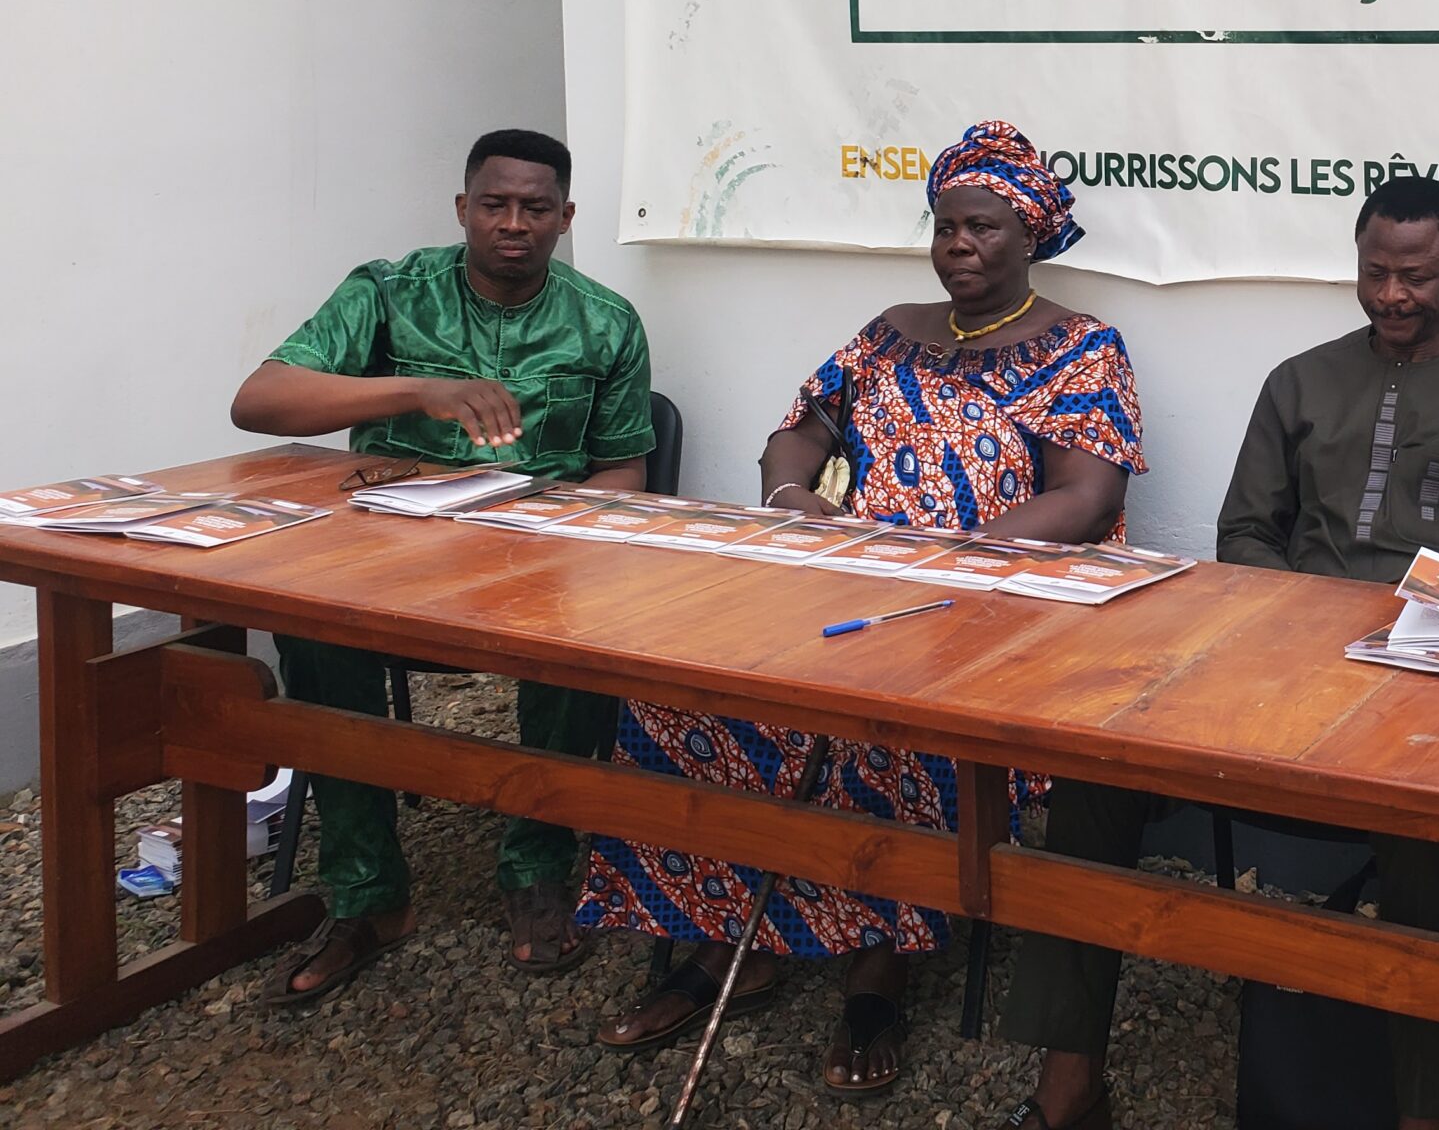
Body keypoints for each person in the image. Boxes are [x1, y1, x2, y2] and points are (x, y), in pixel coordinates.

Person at [579, 120, 1144, 1098]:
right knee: (691, 694)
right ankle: (728, 934)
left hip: (990, 606)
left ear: (1031, 234)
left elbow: (1086, 499)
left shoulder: (1082, 349)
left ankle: (878, 963)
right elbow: (797, 432)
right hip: (848, 580)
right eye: (945, 227)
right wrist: (793, 498)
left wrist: (946, 560)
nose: (958, 245)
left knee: (884, 721)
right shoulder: (889, 332)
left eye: (981, 227)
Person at [999, 174, 1439, 1130]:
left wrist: (1435, 630)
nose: (1393, 295)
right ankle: (1068, 1088)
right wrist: (1311, 627)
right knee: (1094, 768)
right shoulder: (1300, 383)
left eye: (1417, 277)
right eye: (1376, 273)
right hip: (1278, 676)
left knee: (1431, 822)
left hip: (1429, 698)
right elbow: (1246, 534)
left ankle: (1424, 1115)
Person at [231, 127, 655, 1003]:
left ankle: (536, 864)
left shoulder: (606, 321)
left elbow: (624, 469)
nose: (513, 224)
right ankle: (366, 896)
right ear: (462, 208)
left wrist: (572, 530)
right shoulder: (390, 292)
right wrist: (418, 389)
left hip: (533, 560)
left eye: (535, 208)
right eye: (494, 204)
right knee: (312, 631)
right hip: (385, 555)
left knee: (580, 629)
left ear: (567, 217)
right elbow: (259, 401)